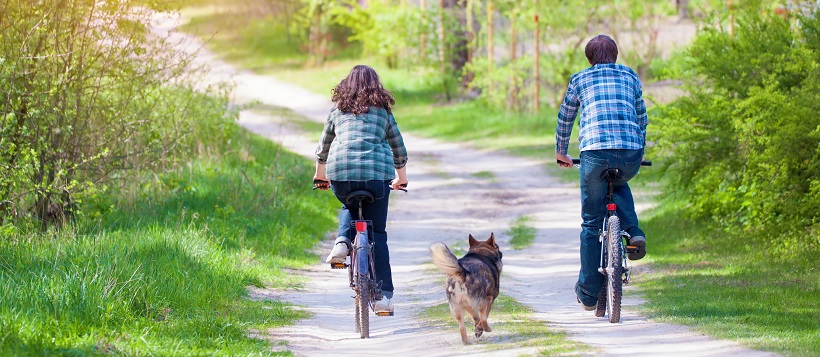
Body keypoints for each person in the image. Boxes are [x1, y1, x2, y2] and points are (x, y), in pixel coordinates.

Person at [554, 34, 648, 311]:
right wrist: (638, 149)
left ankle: (588, 293)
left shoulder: (580, 79)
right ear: (615, 55)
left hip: (594, 153)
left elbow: (566, 116)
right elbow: (641, 116)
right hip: (630, 153)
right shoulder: (631, 76)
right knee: (618, 182)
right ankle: (633, 231)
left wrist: (562, 152)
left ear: (589, 59)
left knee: (591, 223)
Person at [313, 64, 409, 314]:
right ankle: (383, 297)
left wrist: (319, 175)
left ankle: (343, 242)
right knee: (377, 233)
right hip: (377, 178)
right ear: (376, 85)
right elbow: (398, 147)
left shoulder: (338, 109)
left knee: (348, 204)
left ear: (347, 85)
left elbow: (324, 144)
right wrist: (402, 178)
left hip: (342, 174)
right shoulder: (383, 112)